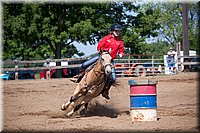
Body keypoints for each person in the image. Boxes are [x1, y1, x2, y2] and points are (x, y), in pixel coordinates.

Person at [69, 23, 125, 99]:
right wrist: (102, 51)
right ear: (112, 31)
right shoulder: (106, 38)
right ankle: (78, 77)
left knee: (113, 78)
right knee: (84, 65)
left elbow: (121, 51)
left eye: (119, 31)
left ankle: (105, 91)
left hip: (109, 60)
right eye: (116, 31)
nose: (118, 32)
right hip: (100, 56)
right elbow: (99, 46)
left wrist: (121, 54)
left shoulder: (120, 42)